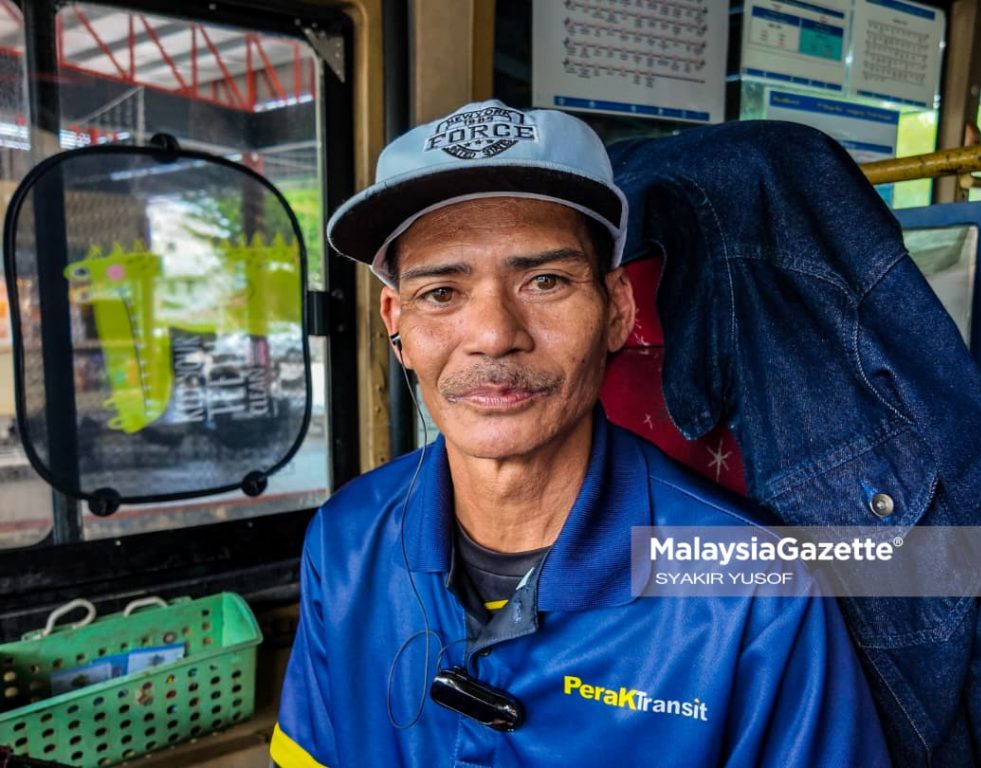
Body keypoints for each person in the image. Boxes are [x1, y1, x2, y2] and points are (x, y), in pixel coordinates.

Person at [270, 99, 890, 767]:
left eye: (544, 281)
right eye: (442, 293)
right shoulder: (346, 538)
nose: (493, 335)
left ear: (618, 309)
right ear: (397, 326)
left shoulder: (751, 590)